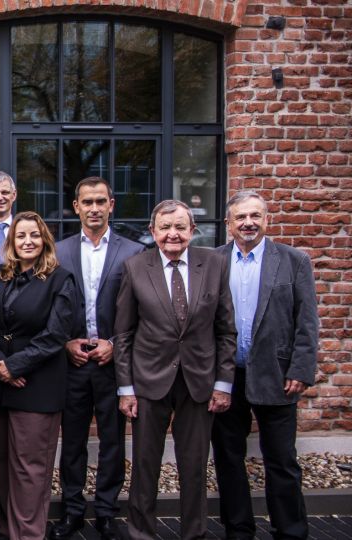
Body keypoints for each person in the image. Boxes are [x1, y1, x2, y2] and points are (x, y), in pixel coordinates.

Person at [113, 199, 236, 540]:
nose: (172, 234)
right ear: (152, 232)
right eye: (165, 227)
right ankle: (141, 533)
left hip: (199, 381)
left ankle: (194, 533)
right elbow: (123, 334)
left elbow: (226, 330)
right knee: (145, 465)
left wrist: (224, 383)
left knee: (194, 466)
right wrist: (126, 389)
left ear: (192, 230)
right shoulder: (136, 267)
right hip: (149, 381)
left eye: (180, 227)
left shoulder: (214, 264)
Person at [212, 191, 318, 540]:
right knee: (228, 458)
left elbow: (307, 321)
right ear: (228, 224)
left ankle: (290, 530)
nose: (248, 223)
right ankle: (238, 528)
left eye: (256, 215)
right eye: (241, 217)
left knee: (282, 461)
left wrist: (301, 369)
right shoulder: (213, 262)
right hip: (228, 376)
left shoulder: (293, 261)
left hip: (278, 375)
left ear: (267, 220)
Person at [0, 211, 78, 540]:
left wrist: (16, 365)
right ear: (11, 242)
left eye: (34, 235)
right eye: (21, 236)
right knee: (0, 460)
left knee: (30, 466)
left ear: (44, 239)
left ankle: (29, 533)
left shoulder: (61, 279)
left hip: (37, 385)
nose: (27, 241)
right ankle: (9, 526)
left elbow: (56, 334)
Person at [51, 177, 145, 540]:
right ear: (76, 206)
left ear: (111, 204)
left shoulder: (133, 252)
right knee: (72, 441)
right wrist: (64, 344)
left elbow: (140, 311)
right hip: (72, 363)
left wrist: (116, 344)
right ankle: (72, 510)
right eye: (86, 202)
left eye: (100, 201)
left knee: (112, 440)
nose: (94, 208)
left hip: (112, 363)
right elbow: (49, 309)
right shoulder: (59, 251)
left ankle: (106, 510)